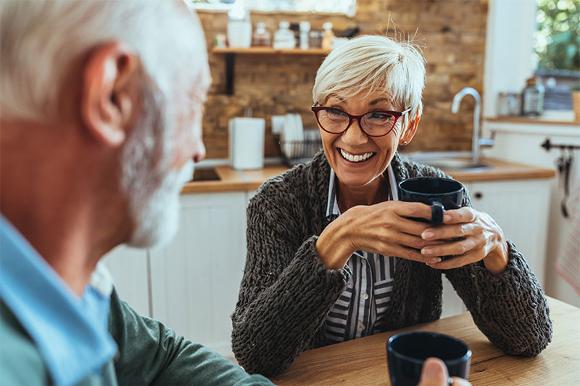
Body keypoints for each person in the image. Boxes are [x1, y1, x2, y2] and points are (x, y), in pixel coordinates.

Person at [231, 35, 553, 377]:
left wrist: (497, 252)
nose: (354, 137)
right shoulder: (278, 204)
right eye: (336, 111)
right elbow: (256, 355)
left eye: (379, 115)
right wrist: (337, 240)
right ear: (318, 115)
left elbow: (529, 338)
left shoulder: (435, 197)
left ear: (409, 124)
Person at [0, 1, 272, 385]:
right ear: (112, 96)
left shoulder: (68, 280)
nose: (198, 149)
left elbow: (159, 358)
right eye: (194, 102)